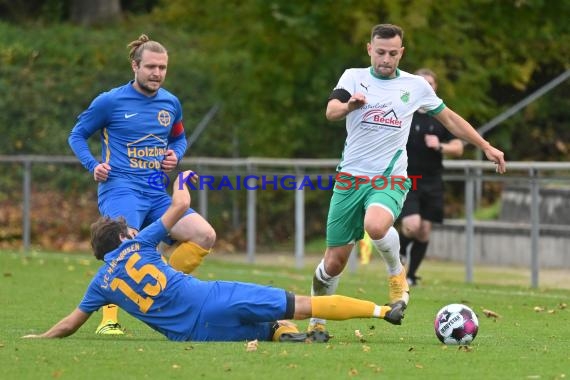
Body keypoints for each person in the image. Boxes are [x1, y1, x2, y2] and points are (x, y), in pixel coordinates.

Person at [22, 171, 405, 343]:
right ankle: (381, 311)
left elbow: (69, 325)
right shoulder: (139, 244)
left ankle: (279, 333)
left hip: (193, 334)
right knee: (302, 305)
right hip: (213, 297)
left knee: (270, 329)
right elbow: (181, 204)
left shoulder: (101, 282)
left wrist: (39, 337)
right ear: (126, 235)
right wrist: (181, 179)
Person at [308, 24, 506, 333]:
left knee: (375, 225)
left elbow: (450, 119)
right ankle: (317, 322)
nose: (386, 59)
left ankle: (396, 272)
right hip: (349, 179)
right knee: (333, 263)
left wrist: (485, 146)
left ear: (402, 52)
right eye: (380, 52)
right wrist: (349, 105)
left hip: (390, 177)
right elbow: (331, 111)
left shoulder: (416, 86)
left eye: (392, 53)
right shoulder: (352, 77)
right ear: (369, 49)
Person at [68, 34, 216, 335]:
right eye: (150, 67)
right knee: (123, 247)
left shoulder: (170, 102)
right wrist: (94, 165)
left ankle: (158, 288)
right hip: (120, 188)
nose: (157, 73)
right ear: (135, 66)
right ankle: (109, 320)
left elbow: (179, 136)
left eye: (162, 68)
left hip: (155, 190)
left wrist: (176, 153)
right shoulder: (110, 101)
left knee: (205, 235)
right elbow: (77, 135)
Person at [399, 68, 464, 286]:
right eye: (422, 82)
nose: (427, 87)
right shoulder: (404, 112)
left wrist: (441, 146)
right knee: (412, 225)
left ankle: (411, 275)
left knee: (425, 230)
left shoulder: (440, 116)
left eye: (431, 84)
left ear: (435, 88)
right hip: (407, 179)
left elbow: (458, 147)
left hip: (433, 180)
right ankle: (399, 253)